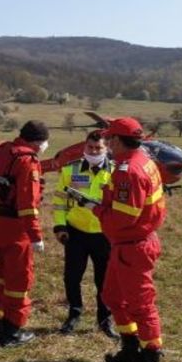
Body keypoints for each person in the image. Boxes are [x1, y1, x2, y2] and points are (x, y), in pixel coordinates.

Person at [79, 117, 167, 362]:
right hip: (126, 245)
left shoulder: (128, 171)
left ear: (117, 140)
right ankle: (129, 347)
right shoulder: (142, 161)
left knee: (142, 305)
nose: (105, 143)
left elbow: (123, 218)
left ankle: (150, 360)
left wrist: (93, 208)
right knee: (113, 297)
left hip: (134, 247)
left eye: (108, 139)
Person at [0, 120, 50, 347]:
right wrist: (35, 236)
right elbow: (27, 203)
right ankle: (12, 332)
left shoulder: (2, 150)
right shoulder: (27, 161)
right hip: (15, 226)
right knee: (19, 279)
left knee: (3, 275)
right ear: (38, 142)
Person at [51, 130, 116, 336]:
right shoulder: (70, 171)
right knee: (72, 276)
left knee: (104, 280)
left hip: (104, 234)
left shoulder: (116, 172)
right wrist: (60, 226)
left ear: (106, 149)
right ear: (84, 147)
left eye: (99, 148)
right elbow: (60, 201)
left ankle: (105, 320)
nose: (94, 151)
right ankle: (74, 313)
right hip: (75, 233)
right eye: (90, 147)